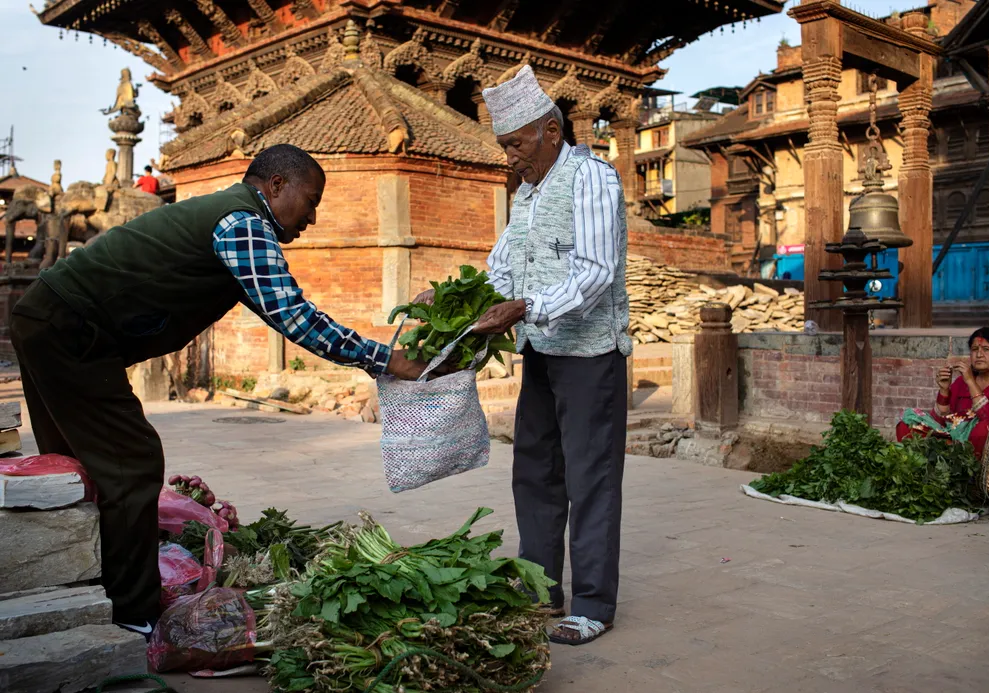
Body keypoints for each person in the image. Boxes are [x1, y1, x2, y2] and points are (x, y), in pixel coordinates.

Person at [11, 144, 429, 639]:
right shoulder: (242, 222)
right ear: (276, 185)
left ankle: (88, 584)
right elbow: (292, 315)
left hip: (52, 318)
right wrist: (387, 359)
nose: (312, 217)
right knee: (132, 461)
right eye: (310, 200)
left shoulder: (234, 217)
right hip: (68, 327)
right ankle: (132, 611)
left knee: (82, 464)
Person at [417, 66, 629, 645]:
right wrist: (454, 297)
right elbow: (500, 269)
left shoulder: (591, 179)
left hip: (591, 355)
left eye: (515, 144)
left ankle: (591, 603)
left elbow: (595, 273)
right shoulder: (529, 195)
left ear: (551, 133)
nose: (509, 158)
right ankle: (539, 584)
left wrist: (524, 306)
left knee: (591, 478)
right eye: (504, 146)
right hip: (541, 351)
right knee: (534, 471)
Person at [896, 327, 989, 458]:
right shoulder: (961, 382)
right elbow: (940, 422)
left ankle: (964, 469)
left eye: (986, 349)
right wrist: (944, 390)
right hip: (953, 443)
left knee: (983, 429)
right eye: (974, 350)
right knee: (907, 424)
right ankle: (938, 464)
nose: (979, 355)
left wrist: (970, 382)